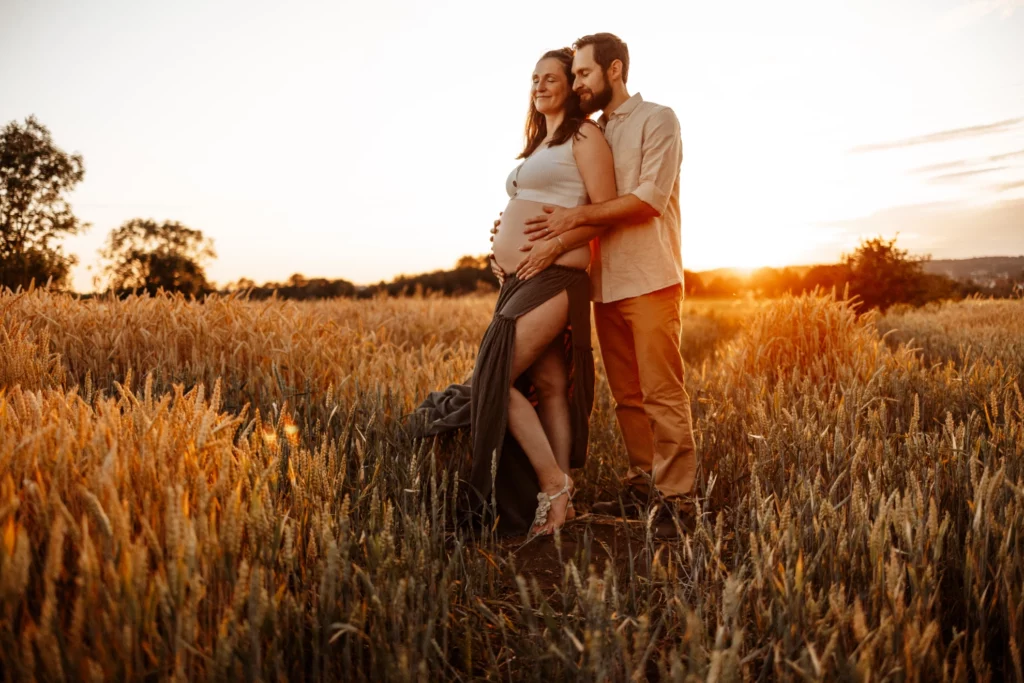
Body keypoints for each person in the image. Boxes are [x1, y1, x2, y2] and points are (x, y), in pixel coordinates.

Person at [491, 33, 697, 538]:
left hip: (649, 276)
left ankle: (677, 497)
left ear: (615, 70)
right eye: (575, 75)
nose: (577, 83)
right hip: (603, 281)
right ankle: (642, 480)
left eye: (583, 74)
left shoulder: (658, 119)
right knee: (627, 394)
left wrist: (568, 220)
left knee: (661, 391)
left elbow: (648, 198)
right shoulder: (594, 131)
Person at [414, 48, 617, 537]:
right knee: (545, 385)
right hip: (517, 280)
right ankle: (560, 496)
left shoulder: (584, 135)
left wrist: (550, 247)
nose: (540, 85)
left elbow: (605, 212)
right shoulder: (538, 145)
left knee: (495, 375)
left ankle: (553, 484)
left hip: (556, 277)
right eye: (534, 79)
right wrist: (505, 233)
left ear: (572, 86)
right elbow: (536, 203)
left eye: (551, 78)